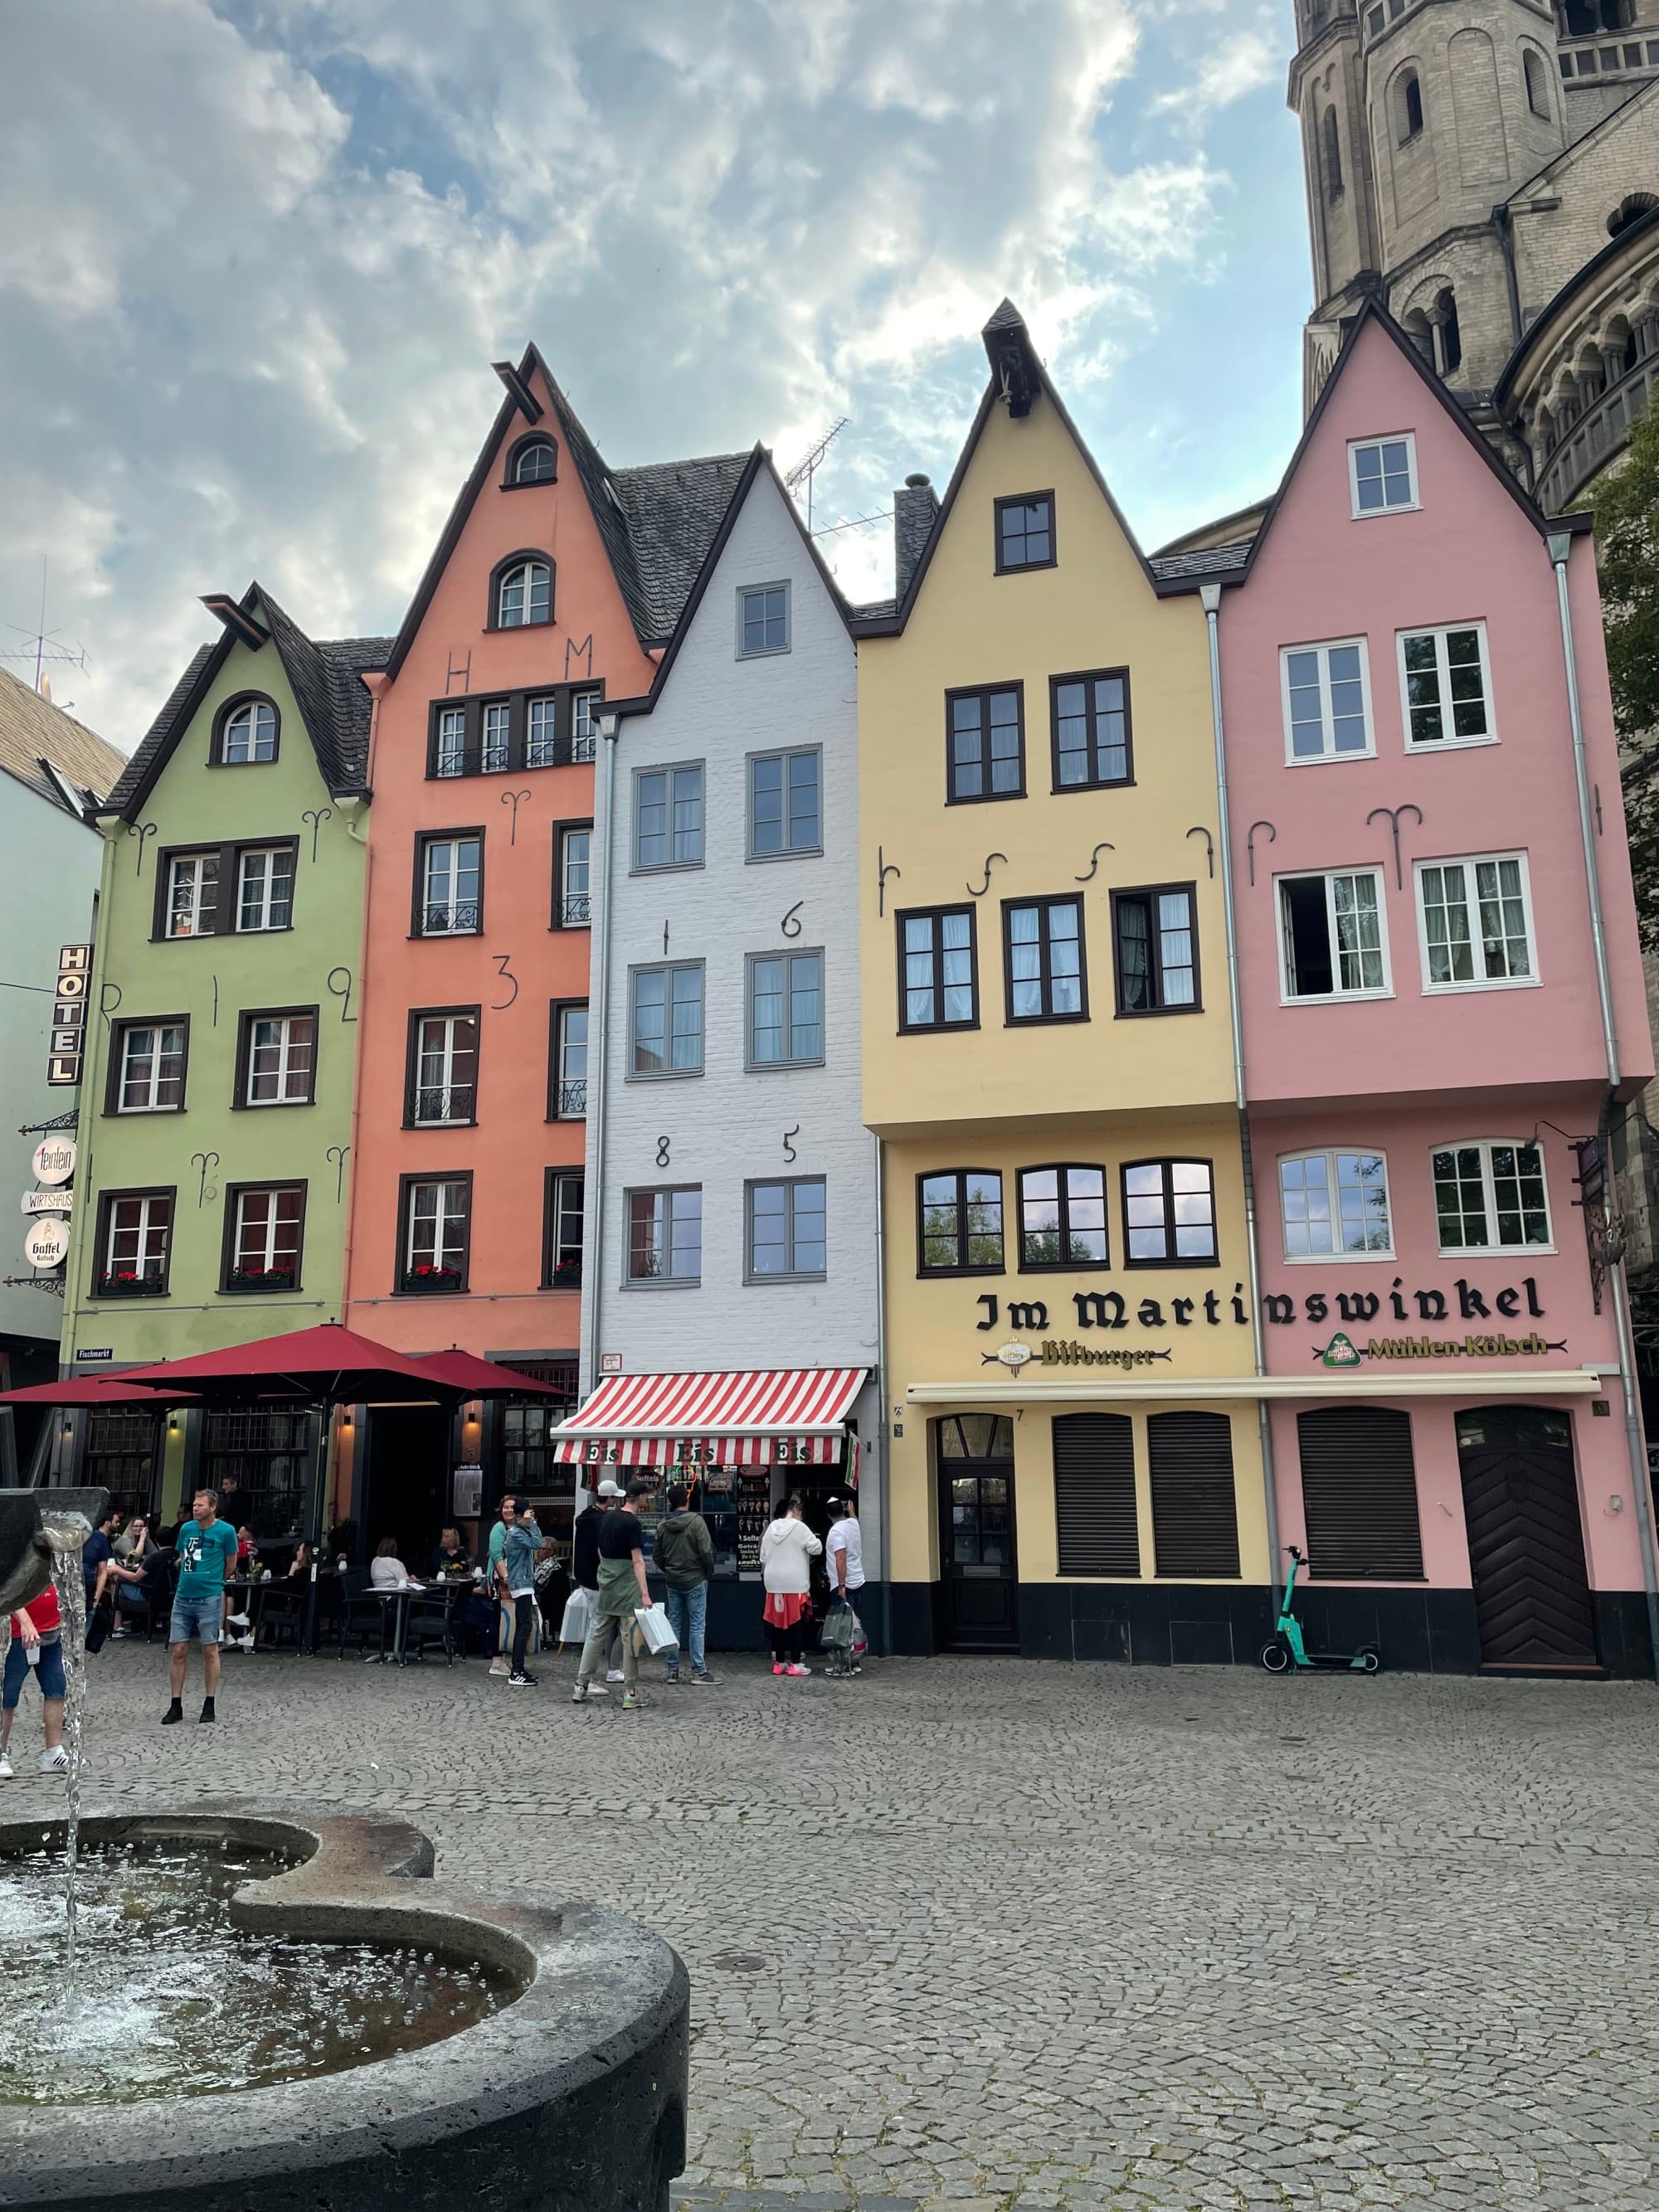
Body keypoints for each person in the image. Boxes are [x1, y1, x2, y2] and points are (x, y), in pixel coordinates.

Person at [572, 1479, 653, 1710]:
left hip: (606, 1579)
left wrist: (605, 1571)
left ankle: (580, 1685)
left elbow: (599, 1549)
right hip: (626, 1583)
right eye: (646, 1496)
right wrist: (645, 1593)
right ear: (638, 1498)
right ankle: (630, 1693)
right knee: (629, 1639)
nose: (647, 1499)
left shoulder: (606, 1518)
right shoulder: (632, 1523)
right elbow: (637, 1560)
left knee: (597, 1633)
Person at [163, 1488, 239, 1726]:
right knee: (178, 1651)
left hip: (208, 1597)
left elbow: (231, 1563)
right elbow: (181, 1555)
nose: (195, 1508)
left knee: (210, 1650)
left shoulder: (226, 1532)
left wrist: (216, 1582)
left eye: (200, 1505)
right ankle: (176, 1704)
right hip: (183, 1596)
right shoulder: (186, 1530)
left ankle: (209, 1702)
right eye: (194, 1505)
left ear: (212, 1507)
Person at [1, 1587, 69, 1779]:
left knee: (57, 1688)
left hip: (51, 1629)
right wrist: (25, 1621)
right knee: (8, 1693)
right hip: (16, 1633)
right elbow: (7, 1587)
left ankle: (53, 1752)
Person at [654, 1485, 715, 1685]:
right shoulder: (696, 1522)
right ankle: (699, 1671)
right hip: (695, 1578)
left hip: (673, 1580)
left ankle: (672, 1670)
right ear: (687, 1500)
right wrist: (708, 1572)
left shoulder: (663, 1525)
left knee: (674, 1624)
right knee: (697, 1625)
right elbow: (706, 1552)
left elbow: (657, 1555)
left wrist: (669, 1569)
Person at [572, 1478, 625, 1688]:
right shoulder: (602, 1522)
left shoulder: (585, 1517)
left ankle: (609, 1669)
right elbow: (603, 1553)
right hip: (598, 1580)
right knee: (597, 1630)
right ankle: (587, 1678)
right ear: (610, 1498)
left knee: (599, 1627)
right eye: (615, 1498)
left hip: (585, 1577)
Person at [760, 1495, 821, 1677]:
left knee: (777, 1624)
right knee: (796, 1623)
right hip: (795, 1583)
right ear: (795, 1510)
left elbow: (763, 1557)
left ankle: (779, 1663)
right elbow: (817, 1548)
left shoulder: (771, 1528)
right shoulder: (800, 1528)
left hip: (773, 1583)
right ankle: (795, 1663)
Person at [499, 1501, 544, 1687]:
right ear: (520, 1516)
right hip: (521, 1583)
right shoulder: (516, 1533)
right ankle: (516, 1671)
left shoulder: (519, 1531)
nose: (532, 1516)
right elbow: (537, 1543)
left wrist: (530, 1523)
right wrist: (532, 1523)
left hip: (523, 1582)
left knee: (523, 1626)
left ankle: (519, 1668)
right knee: (524, 1626)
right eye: (529, 1513)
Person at [824, 1495, 868, 1673]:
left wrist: (841, 1585)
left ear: (828, 1515)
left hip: (843, 1585)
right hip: (858, 1581)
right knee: (855, 1625)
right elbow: (855, 1520)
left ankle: (841, 1666)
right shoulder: (853, 1524)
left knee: (841, 1627)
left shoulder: (836, 1532)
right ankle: (855, 1662)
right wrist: (852, 1513)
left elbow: (840, 1558)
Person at [485, 1495, 517, 1679]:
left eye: (512, 1507)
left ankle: (503, 1657)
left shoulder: (517, 1528)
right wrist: (505, 1575)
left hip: (512, 1580)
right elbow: (496, 1555)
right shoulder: (499, 1528)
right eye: (505, 1507)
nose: (508, 1510)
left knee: (507, 1620)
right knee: (497, 1619)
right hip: (500, 1580)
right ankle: (496, 1661)